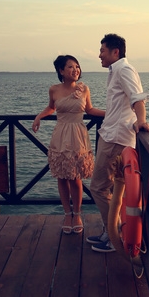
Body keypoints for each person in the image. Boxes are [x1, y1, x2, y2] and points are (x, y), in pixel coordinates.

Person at [87, 34, 149, 253]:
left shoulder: (124, 69)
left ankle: (114, 236)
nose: (99, 55)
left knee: (97, 188)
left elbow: (137, 99)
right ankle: (113, 233)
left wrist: (141, 121)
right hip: (110, 134)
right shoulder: (116, 70)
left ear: (115, 52)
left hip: (116, 138)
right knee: (114, 190)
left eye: (102, 50)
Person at [32, 55, 105, 234]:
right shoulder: (54, 90)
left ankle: (78, 213)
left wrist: (111, 113)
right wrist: (39, 116)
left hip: (78, 134)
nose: (75, 70)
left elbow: (90, 110)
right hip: (60, 134)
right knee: (62, 177)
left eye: (77, 67)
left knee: (76, 177)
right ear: (61, 71)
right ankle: (67, 213)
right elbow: (52, 108)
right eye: (71, 67)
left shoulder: (84, 89)